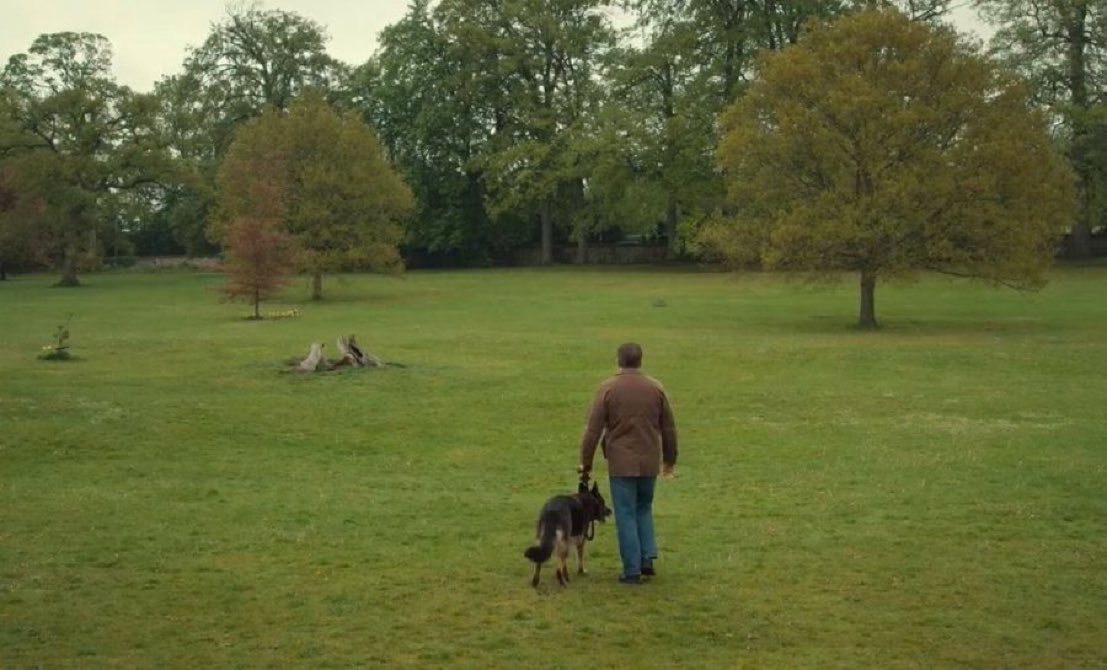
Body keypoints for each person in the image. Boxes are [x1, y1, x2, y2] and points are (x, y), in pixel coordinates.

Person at [578, 342, 678, 585]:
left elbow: (593, 431)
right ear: (640, 361)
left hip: (621, 462)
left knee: (625, 513)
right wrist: (669, 460)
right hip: (649, 461)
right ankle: (647, 558)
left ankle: (631, 570)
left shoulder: (608, 389)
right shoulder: (656, 389)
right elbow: (668, 428)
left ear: (618, 361)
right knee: (643, 507)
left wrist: (585, 463)